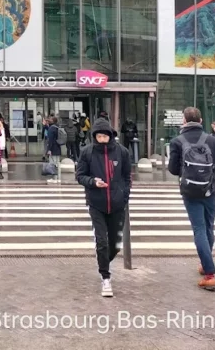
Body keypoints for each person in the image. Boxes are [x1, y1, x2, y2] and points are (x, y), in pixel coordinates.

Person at [169, 107, 215, 292]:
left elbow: (172, 169)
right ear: (201, 120)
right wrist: (208, 175)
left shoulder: (177, 141)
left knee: (199, 229)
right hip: (210, 190)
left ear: (184, 121)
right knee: (208, 226)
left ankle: (209, 274)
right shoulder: (212, 140)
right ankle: (206, 264)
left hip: (190, 192)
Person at [76, 117, 132, 298]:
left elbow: (127, 176)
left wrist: (124, 195)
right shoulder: (87, 152)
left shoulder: (122, 152)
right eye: (98, 136)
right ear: (94, 137)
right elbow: (80, 175)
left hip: (117, 204)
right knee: (101, 241)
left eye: (104, 136)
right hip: (96, 203)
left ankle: (103, 262)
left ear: (110, 136)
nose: (102, 139)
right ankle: (105, 277)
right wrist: (92, 182)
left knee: (114, 244)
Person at [46, 115, 63, 184]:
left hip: (52, 149)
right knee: (57, 164)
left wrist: (49, 150)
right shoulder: (57, 127)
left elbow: (50, 140)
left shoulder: (51, 129)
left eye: (50, 119)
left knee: (52, 164)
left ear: (52, 121)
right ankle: (58, 178)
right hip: (58, 148)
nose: (48, 120)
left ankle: (54, 178)